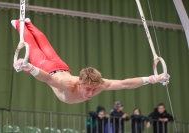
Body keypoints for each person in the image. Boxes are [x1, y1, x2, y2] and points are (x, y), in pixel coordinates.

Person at [11, 18, 170, 104]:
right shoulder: (66, 84)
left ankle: (28, 23)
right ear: (79, 83)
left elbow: (125, 83)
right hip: (47, 68)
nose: (91, 93)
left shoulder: (100, 84)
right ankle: (20, 24)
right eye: (88, 89)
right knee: (32, 45)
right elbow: (47, 78)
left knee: (45, 43)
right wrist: (29, 67)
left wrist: (153, 78)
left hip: (62, 67)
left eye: (94, 89)